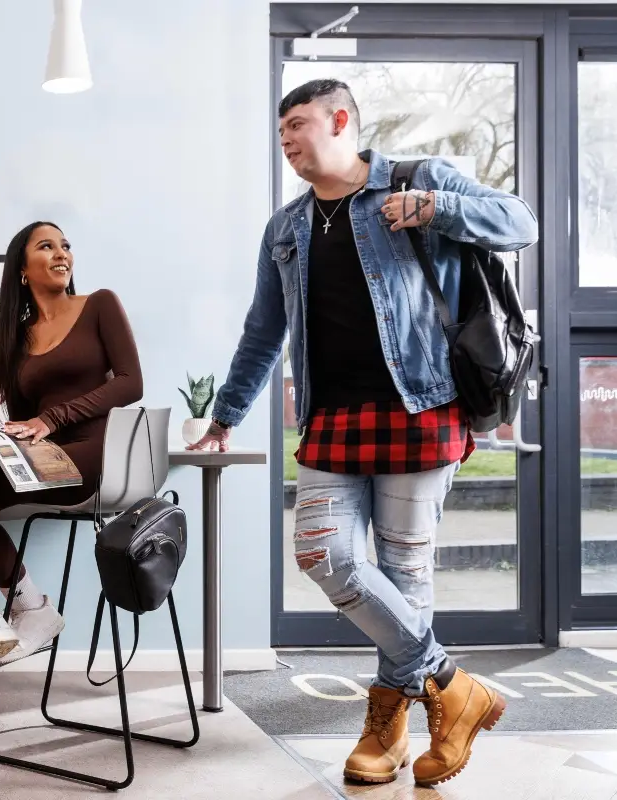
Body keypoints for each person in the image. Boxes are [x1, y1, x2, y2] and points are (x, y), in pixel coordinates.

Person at [189, 79, 538, 786]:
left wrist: (438, 210)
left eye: (297, 123)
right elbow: (264, 331)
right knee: (325, 554)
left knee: (406, 576)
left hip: (423, 406)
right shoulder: (285, 227)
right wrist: (226, 415)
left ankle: (388, 729)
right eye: (280, 129)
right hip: (330, 417)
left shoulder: (417, 181)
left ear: (341, 119)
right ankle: (449, 684)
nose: (285, 138)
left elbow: (519, 222)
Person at [0, 221, 144, 665]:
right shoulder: (16, 337)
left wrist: (54, 418)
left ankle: (20, 608)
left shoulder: (99, 304)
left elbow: (131, 383)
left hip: (92, 453)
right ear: (23, 270)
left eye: (65, 246)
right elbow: (21, 419)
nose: (61, 253)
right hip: (41, 457)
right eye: (46, 246)